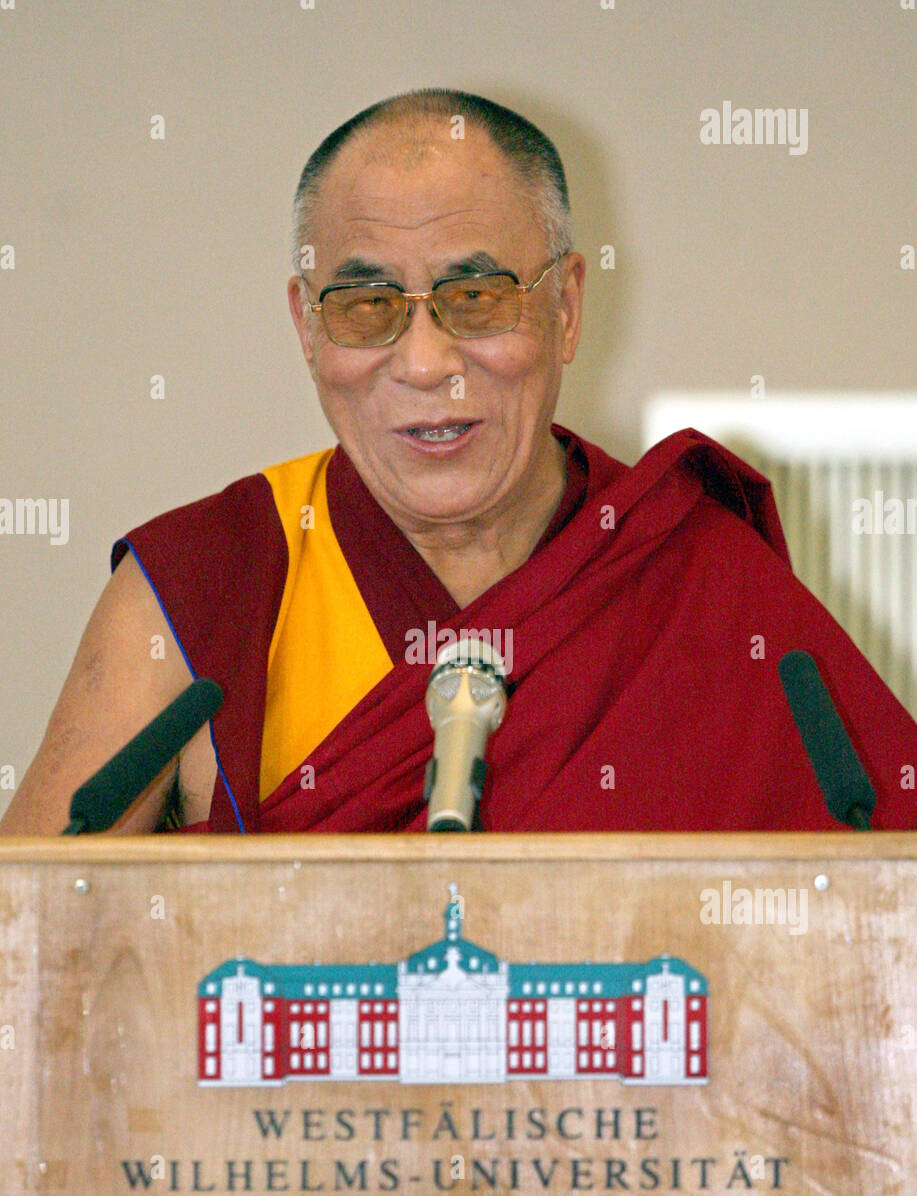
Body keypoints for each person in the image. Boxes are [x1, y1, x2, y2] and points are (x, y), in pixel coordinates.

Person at [2, 88, 915, 836]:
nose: (426, 361)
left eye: (474, 296)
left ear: (563, 307)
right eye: (364, 306)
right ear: (306, 327)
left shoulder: (698, 579)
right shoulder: (206, 586)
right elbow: (30, 954)